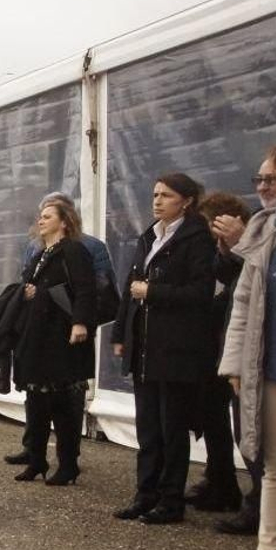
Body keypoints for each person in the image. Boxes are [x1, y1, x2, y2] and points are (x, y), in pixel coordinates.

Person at [112, 173, 218, 525]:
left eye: (166, 196)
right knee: (148, 428)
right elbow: (131, 288)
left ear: (186, 201)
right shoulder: (149, 236)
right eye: (155, 194)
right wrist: (121, 333)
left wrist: (154, 292)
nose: (157, 201)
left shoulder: (197, 239)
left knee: (172, 428)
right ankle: (145, 494)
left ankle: (171, 501)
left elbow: (201, 293)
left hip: (175, 350)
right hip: (145, 347)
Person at [6, 191, 116, 468]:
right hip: (39, 331)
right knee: (37, 394)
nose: (40, 219)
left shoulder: (86, 247)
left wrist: (80, 320)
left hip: (65, 330)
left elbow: (96, 288)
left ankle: (68, 459)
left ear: (65, 218)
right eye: (40, 214)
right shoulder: (37, 248)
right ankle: (34, 451)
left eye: (47, 215)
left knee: (67, 396)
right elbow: (27, 280)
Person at [219, 143, 276, 550]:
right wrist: (236, 365)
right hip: (273, 370)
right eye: (260, 179)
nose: (263, 187)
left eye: (274, 179)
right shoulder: (264, 232)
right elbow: (242, 306)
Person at [182, 192, 252, 515]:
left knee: (237, 423)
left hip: (232, 349)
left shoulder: (252, 246)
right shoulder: (219, 249)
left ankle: (235, 491)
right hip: (216, 346)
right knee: (213, 416)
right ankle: (219, 480)